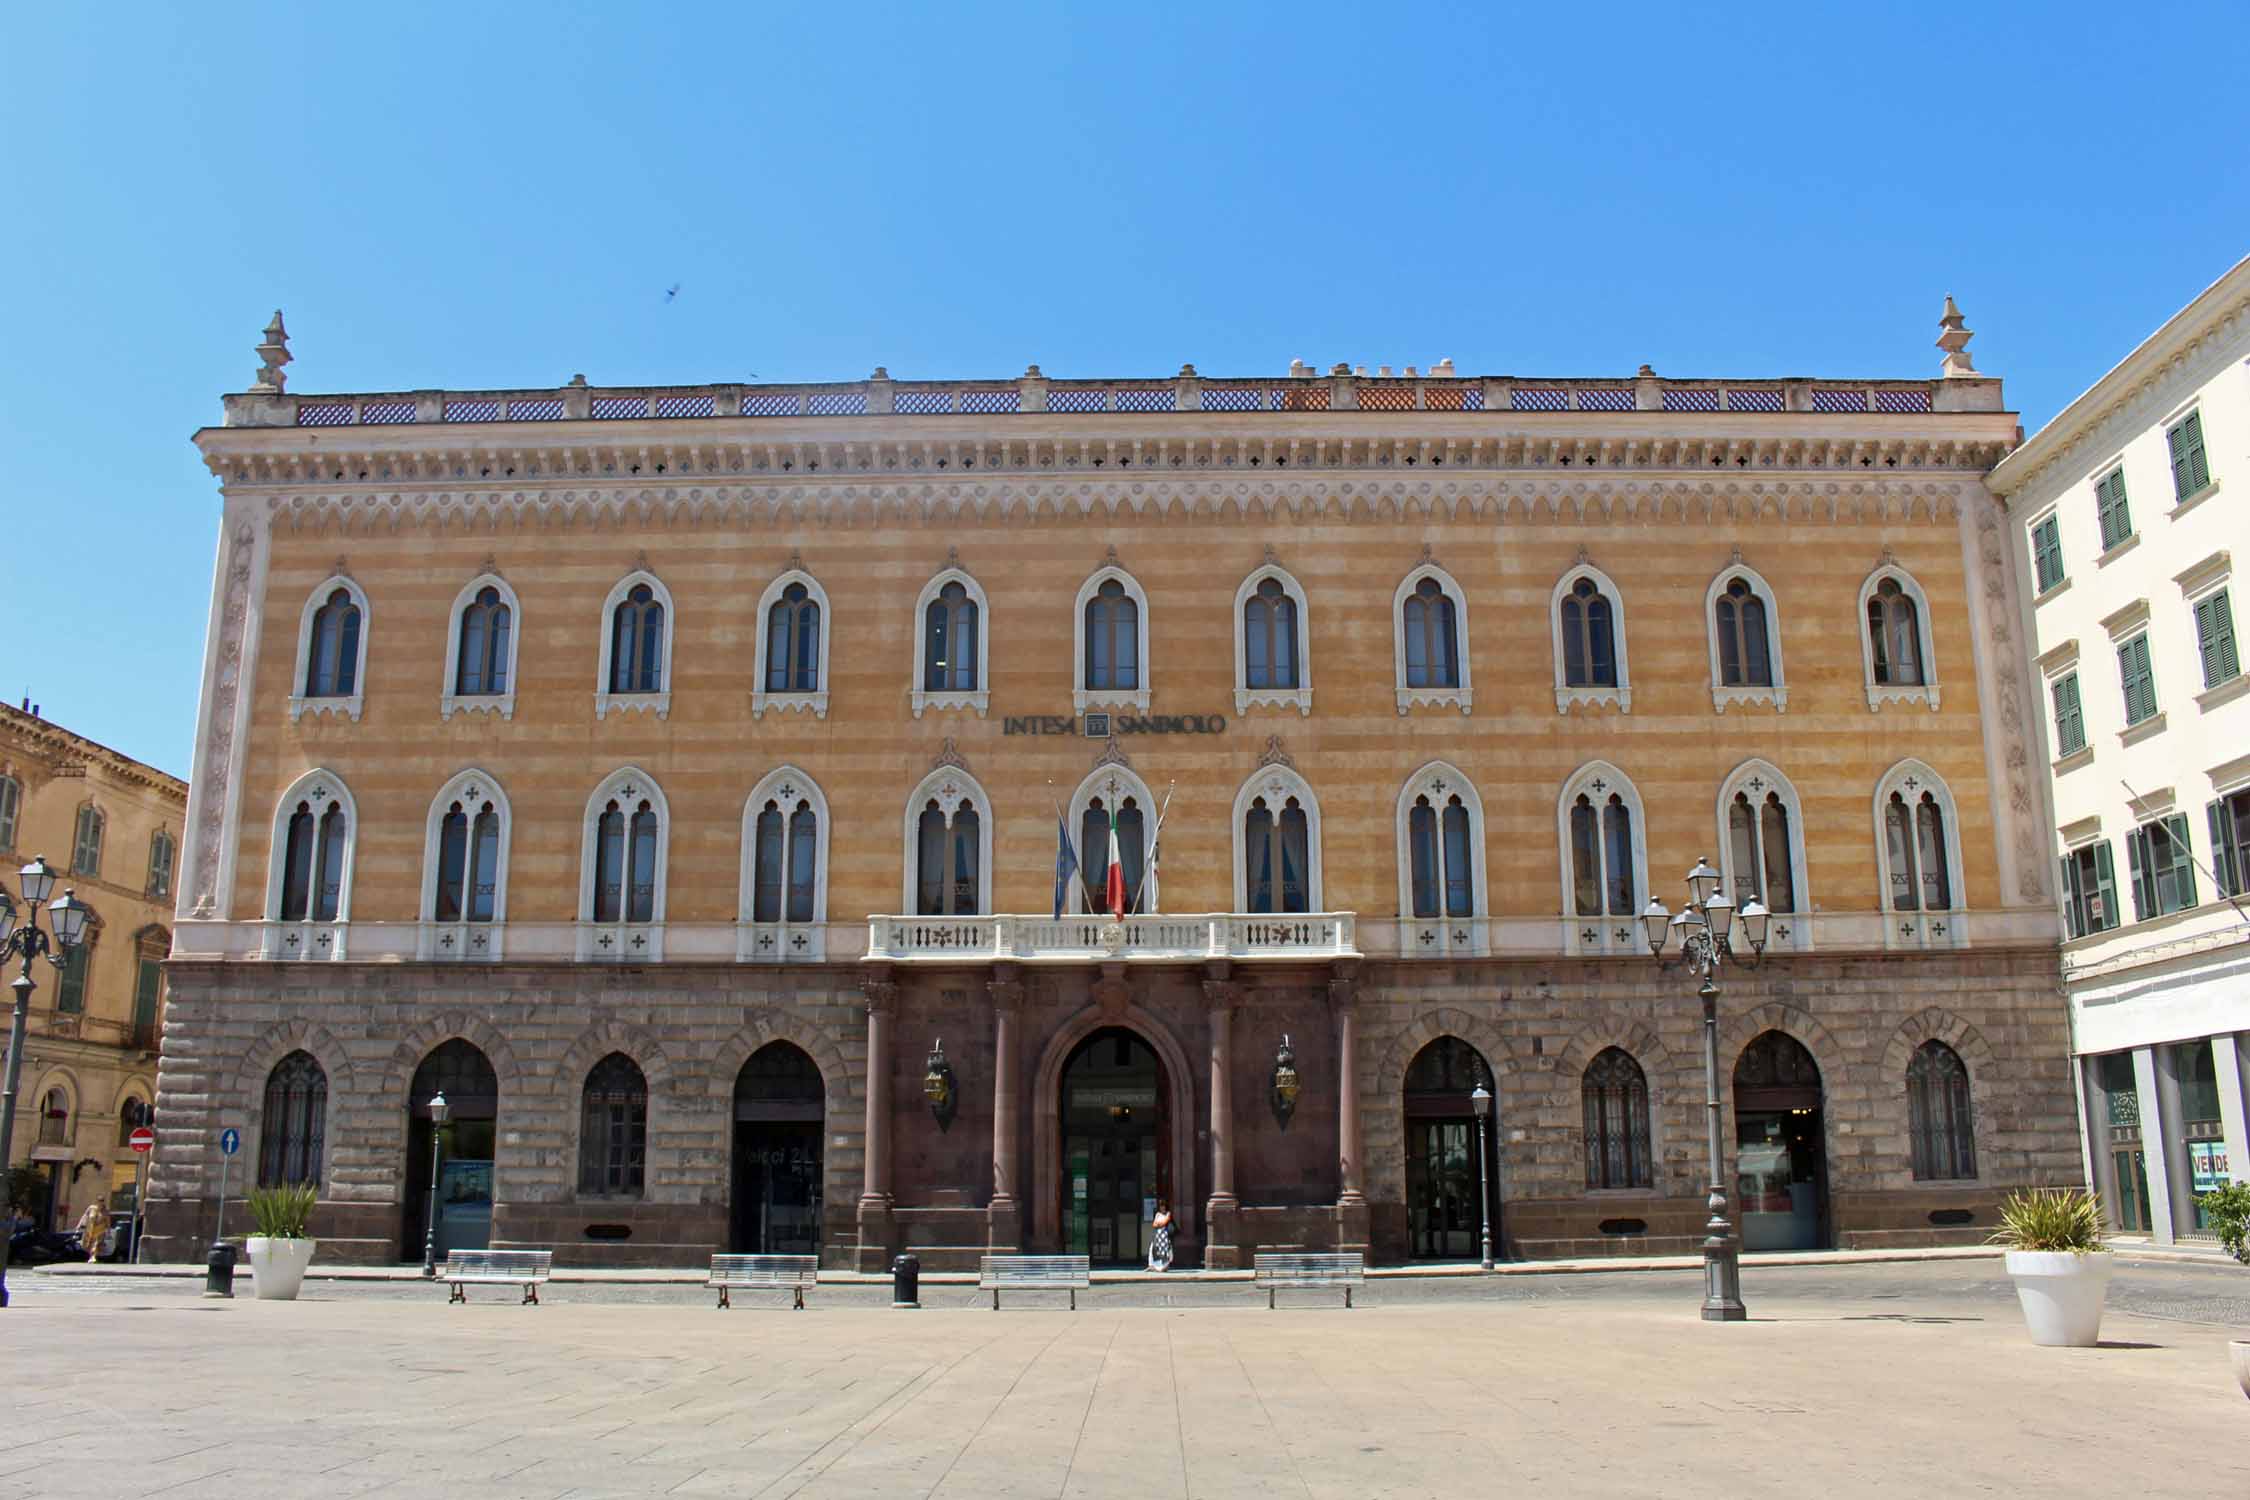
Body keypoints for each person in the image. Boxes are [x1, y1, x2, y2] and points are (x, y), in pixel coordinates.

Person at [74, 1200, 109, 1264]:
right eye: (99, 1202)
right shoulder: (91, 1208)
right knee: (87, 1244)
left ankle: (93, 1257)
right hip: (90, 1230)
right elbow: (85, 1216)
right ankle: (91, 1256)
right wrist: (79, 1225)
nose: (100, 1204)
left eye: (102, 1202)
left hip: (99, 1230)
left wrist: (108, 1230)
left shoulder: (105, 1211)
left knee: (96, 1243)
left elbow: (108, 1221)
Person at [1147, 1199, 1173, 1272]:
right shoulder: (1157, 1214)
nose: (1162, 1207)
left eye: (1163, 1206)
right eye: (1161, 1206)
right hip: (1158, 1234)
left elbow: (1164, 1222)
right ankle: (1152, 1266)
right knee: (1153, 1248)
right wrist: (1159, 1224)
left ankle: (1164, 1267)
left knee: (1164, 1250)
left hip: (1164, 1235)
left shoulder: (1168, 1213)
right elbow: (1154, 1224)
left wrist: (1159, 1224)